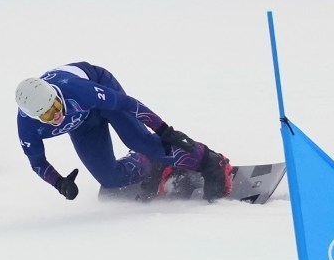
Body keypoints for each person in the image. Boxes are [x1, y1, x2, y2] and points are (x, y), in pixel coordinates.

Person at [15, 62, 232, 201]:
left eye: (56, 105)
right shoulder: (28, 128)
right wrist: (59, 183)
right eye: (47, 116)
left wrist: (163, 129)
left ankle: (211, 161)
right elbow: (37, 163)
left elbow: (127, 104)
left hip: (98, 88)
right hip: (83, 122)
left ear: (54, 93)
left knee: (141, 141)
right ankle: (153, 164)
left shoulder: (78, 91)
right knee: (109, 179)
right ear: (34, 118)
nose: (57, 116)